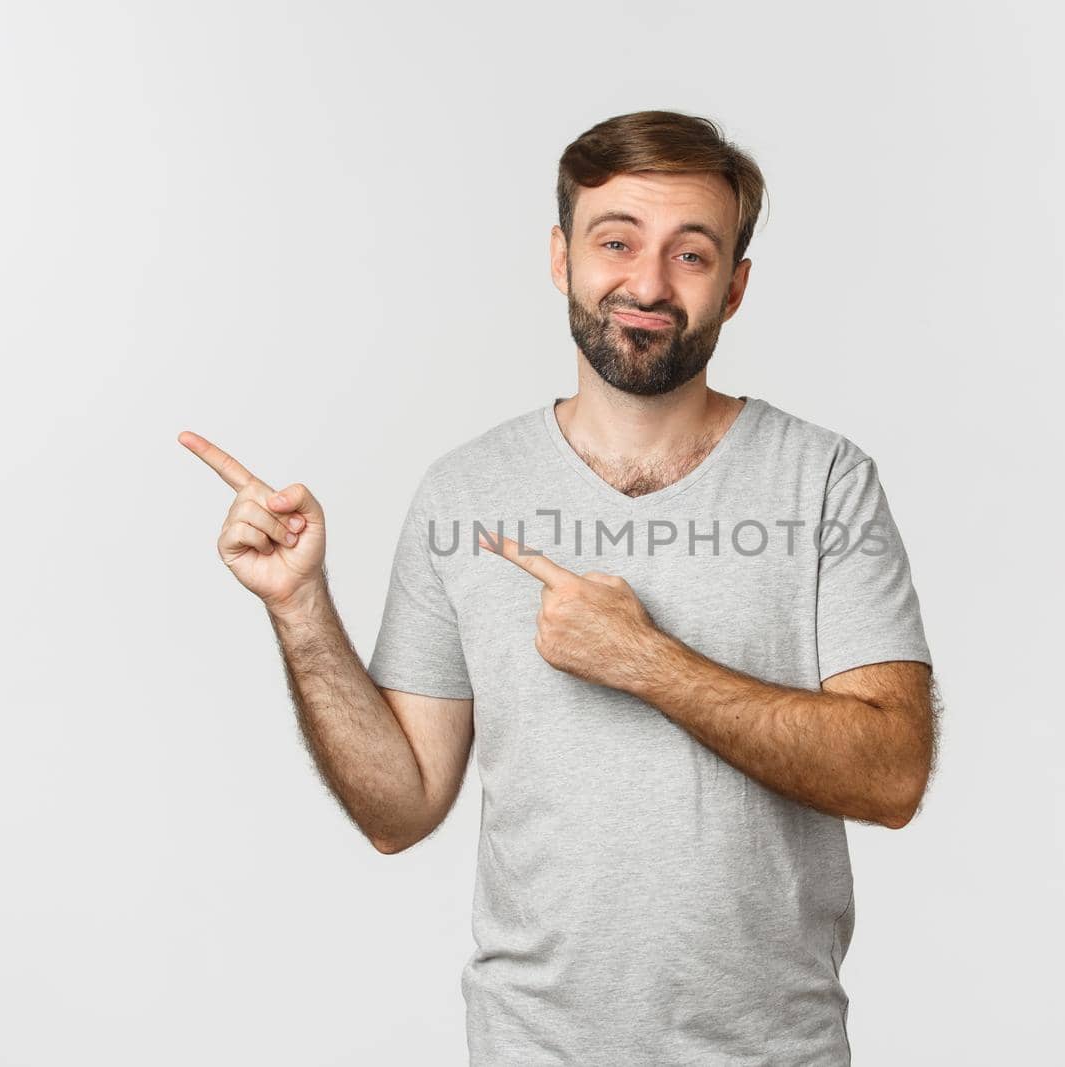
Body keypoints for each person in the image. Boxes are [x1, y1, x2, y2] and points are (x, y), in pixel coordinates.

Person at [180, 109, 937, 1065]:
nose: (648, 283)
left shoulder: (823, 481)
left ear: (736, 286)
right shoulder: (465, 493)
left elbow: (893, 772)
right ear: (560, 256)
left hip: (772, 1050)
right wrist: (299, 608)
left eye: (691, 254)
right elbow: (399, 807)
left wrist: (649, 662)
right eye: (616, 241)